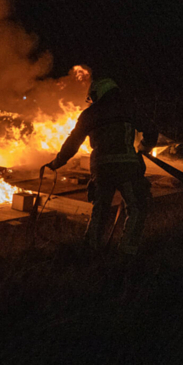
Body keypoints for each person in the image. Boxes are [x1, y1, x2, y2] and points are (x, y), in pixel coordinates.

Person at [44, 66, 158, 255]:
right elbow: (151, 130)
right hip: (127, 168)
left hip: (102, 170)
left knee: (100, 210)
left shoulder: (89, 114)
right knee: (137, 207)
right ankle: (127, 252)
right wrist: (144, 148)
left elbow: (73, 142)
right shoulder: (128, 108)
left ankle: (90, 251)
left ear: (98, 93)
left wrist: (57, 162)